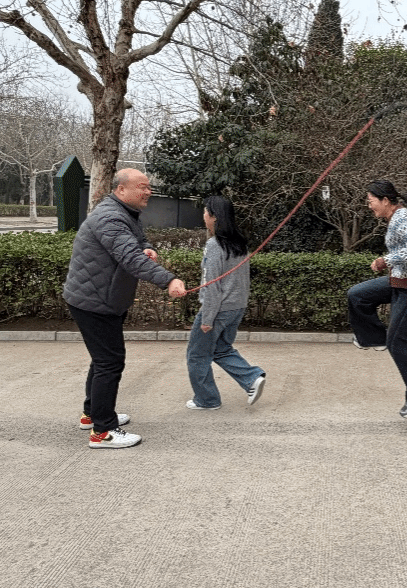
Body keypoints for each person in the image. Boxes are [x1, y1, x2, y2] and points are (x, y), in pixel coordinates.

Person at [63, 169, 186, 449]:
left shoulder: (124, 213)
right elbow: (130, 257)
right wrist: (168, 280)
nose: (148, 192)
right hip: (95, 302)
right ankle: (103, 431)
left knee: (102, 360)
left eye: (149, 187)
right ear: (121, 189)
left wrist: (147, 248)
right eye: (142, 186)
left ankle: (93, 414)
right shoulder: (110, 217)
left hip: (102, 298)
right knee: (109, 362)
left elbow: (136, 244)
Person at [347, 180, 407, 420]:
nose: (369, 206)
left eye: (371, 201)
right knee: (357, 295)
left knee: (399, 343)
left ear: (385, 201)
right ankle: (374, 338)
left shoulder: (401, 218)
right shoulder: (396, 217)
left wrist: (385, 261)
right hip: (400, 282)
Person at [186, 196, 266, 410]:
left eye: (205, 211)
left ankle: (207, 400)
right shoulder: (239, 243)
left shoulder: (214, 245)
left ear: (214, 217)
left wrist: (207, 318)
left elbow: (211, 283)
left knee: (197, 355)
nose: (203, 216)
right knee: (221, 349)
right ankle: (252, 378)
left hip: (218, 309)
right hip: (236, 307)